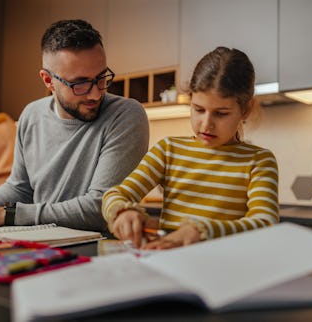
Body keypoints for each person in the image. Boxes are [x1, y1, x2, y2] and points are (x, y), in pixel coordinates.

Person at [0, 19, 149, 231]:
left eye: (101, 78)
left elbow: (100, 208)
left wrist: (5, 215)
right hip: (38, 239)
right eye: (80, 83)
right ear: (48, 81)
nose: (96, 94)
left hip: (94, 250)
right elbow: (20, 189)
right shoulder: (31, 115)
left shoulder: (126, 114)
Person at [102, 47, 279, 249]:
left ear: (245, 110)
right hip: (171, 263)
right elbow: (115, 194)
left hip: (230, 266)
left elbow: (265, 223)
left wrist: (201, 231)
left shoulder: (259, 161)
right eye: (198, 109)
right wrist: (122, 212)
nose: (206, 124)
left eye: (221, 113)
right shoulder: (168, 150)